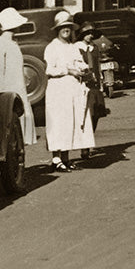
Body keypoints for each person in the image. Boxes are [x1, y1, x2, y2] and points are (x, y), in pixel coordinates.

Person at [43, 11, 92, 171]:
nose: (66, 30)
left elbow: (80, 62)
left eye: (68, 28)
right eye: (63, 28)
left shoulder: (72, 47)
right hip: (58, 90)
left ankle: (66, 157)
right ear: (58, 29)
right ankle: (56, 159)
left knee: (69, 122)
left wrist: (83, 68)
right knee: (58, 123)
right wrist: (69, 71)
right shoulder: (52, 47)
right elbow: (50, 70)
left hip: (72, 90)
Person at [0, 7, 36, 146]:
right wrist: (0, 98)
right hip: (8, 92)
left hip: (18, 90)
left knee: (18, 130)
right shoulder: (0, 45)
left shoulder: (12, 43)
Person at [76, 21, 109, 159]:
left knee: (96, 112)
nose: (89, 36)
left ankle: (88, 141)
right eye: (87, 33)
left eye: (91, 33)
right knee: (86, 115)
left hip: (95, 84)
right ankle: (84, 147)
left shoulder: (94, 47)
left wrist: (101, 80)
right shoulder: (77, 48)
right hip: (83, 84)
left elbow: (98, 64)